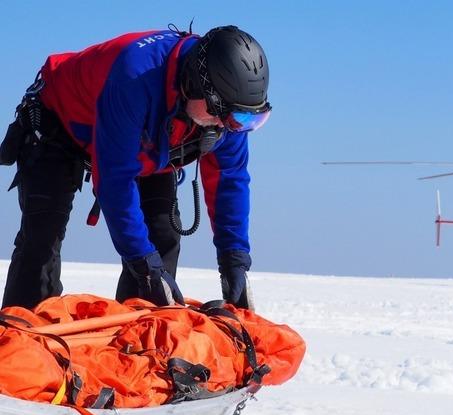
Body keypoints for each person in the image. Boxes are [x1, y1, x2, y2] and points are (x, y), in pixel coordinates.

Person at [0, 25, 271, 310]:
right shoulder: (135, 78)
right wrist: (143, 264)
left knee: (162, 238)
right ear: (195, 84)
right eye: (226, 114)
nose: (230, 126)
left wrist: (234, 259)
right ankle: (21, 339)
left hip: (150, 139)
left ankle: (140, 345)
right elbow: (115, 180)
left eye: (245, 119)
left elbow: (230, 179)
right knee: (43, 238)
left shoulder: (226, 112)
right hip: (61, 119)